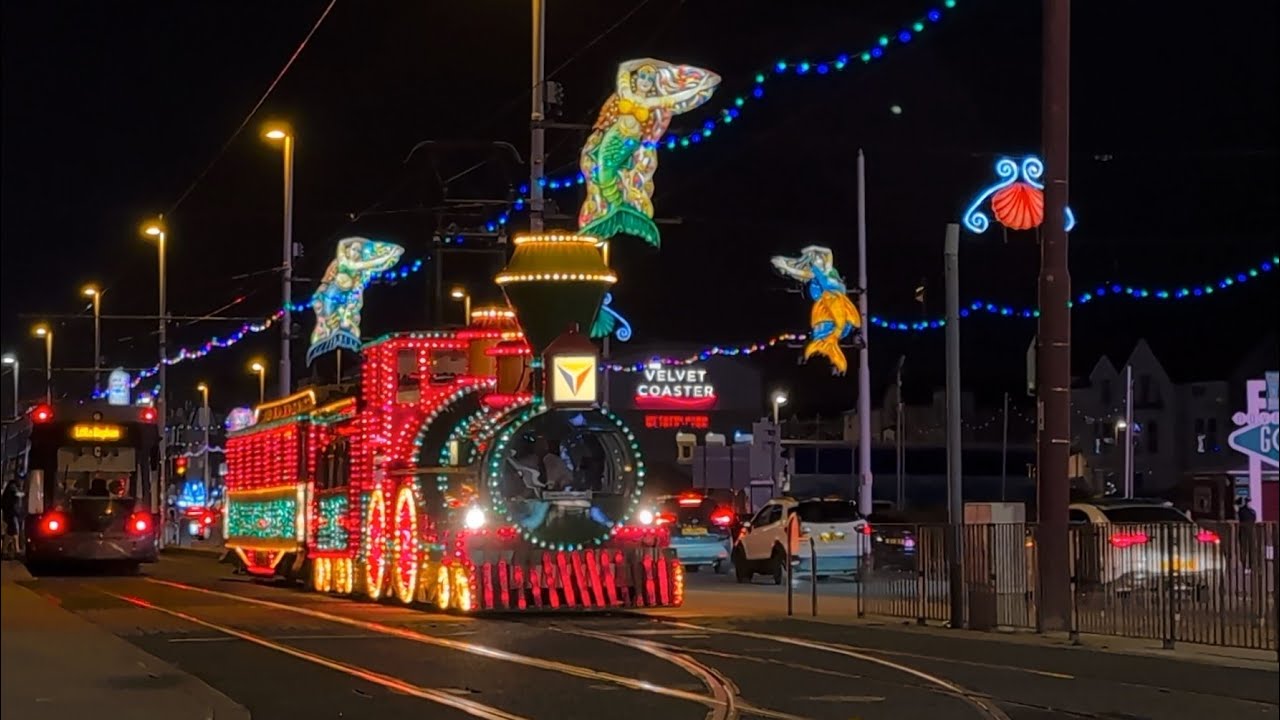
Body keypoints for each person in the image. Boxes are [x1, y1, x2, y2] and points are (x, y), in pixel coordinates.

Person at [2, 480, 22, 559]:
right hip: (12, 515)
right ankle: (5, 551)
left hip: (11, 515)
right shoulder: (12, 492)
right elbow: (20, 495)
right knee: (11, 532)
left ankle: (16, 550)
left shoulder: (7, 494)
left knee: (14, 532)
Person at [1237, 497, 1257, 570]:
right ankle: (1244, 565)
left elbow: (1254, 519)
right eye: (1248, 502)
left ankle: (1251, 566)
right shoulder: (1242, 510)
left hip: (1250, 531)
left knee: (1251, 548)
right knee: (1244, 548)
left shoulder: (1252, 511)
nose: (1250, 504)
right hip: (1243, 531)